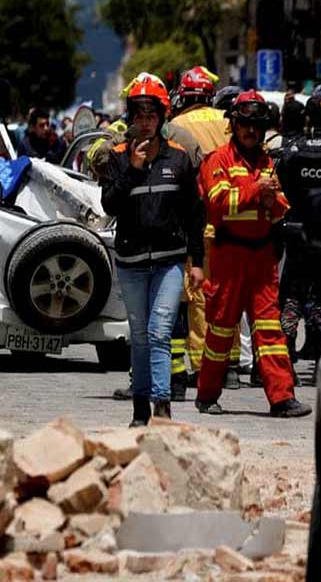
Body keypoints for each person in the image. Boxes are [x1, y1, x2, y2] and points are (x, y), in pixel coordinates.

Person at [99, 73, 205, 427]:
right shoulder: (116, 158)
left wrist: (197, 262)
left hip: (169, 261)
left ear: (162, 117)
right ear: (131, 118)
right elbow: (110, 205)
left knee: (161, 331)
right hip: (130, 262)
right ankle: (140, 409)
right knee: (140, 336)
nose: (145, 123)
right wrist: (133, 169)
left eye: (151, 115)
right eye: (139, 115)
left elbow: (194, 212)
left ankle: (162, 406)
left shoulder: (179, 159)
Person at [196, 90, 311, 417]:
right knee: (221, 329)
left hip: (262, 258)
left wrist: (268, 199)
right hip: (229, 256)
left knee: (270, 330)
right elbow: (218, 205)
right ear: (234, 124)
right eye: (245, 124)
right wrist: (255, 192)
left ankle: (281, 398)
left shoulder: (266, 161)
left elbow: (279, 210)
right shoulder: (217, 159)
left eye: (256, 126)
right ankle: (206, 395)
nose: (251, 131)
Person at [166, 66, 234, 397]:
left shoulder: (176, 126)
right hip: (232, 216)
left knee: (195, 297)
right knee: (224, 294)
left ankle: (199, 367)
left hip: (194, 219)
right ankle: (227, 367)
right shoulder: (227, 120)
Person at [276, 90, 321, 369]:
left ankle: (286, 357)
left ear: (308, 117)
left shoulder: (293, 148)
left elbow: (282, 186)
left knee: (293, 294)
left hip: (296, 230)